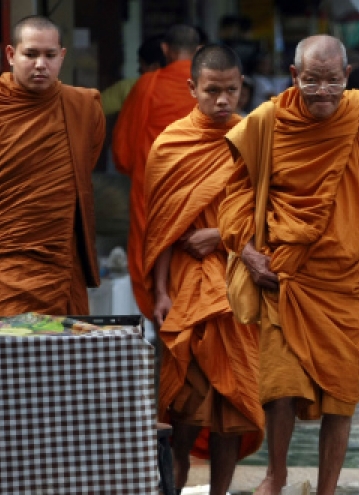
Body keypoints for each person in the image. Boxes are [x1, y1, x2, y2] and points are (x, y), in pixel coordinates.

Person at [217, 34, 359, 495]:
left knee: (342, 399)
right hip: (284, 275)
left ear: (346, 77)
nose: (323, 91)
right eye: (312, 80)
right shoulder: (266, 122)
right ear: (294, 77)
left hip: (347, 281)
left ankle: (327, 488)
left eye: (332, 81)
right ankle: (276, 473)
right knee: (279, 386)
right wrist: (247, 251)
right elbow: (233, 197)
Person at [143, 43, 264, 495]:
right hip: (186, 284)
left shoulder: (253, 138)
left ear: (241, 88)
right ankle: (172, 488)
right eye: (212, 90)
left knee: (232, 406)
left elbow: (267, 217)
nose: (222, 100)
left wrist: (219, 236)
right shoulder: (170, 144)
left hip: (237, 281)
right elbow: (159, 232)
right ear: (192, 87)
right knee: (184, 406)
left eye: (230, 90)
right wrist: (159, 294)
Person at [0, 15, 105, 316]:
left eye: (49, 55)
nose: (41, 64)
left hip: (57, 270)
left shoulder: (82, 108)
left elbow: (79, 170)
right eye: (31, 54)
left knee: (57, 361)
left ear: (62, 57)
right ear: (11, 55)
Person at [112, 24, 200, 318]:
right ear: (199, 51)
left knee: (155, 283)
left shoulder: (147, 85)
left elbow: (123, 154)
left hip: (153, 194)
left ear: (165, 50)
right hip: (203, 195)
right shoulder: (208, 88)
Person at [100, 35, 165, 116]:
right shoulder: (183, 88)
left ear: (155, 67)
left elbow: (90, 108)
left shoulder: (130, 87)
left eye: (141, 65)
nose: (138, 70)